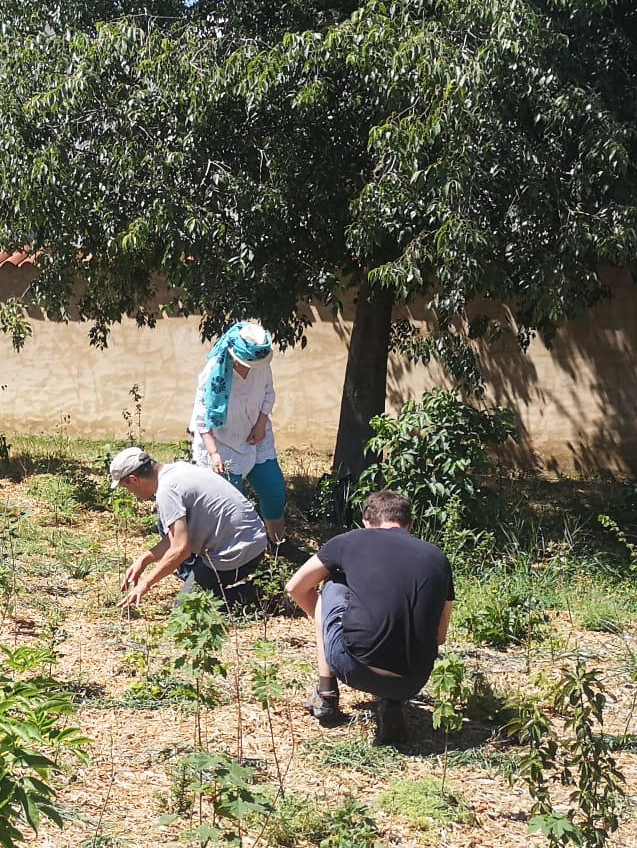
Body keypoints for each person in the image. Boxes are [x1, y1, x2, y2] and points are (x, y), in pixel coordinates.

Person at [284, 489, 453, 747]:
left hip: (354, 666)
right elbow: (440, 637)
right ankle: (392, 703)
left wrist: (325, 626)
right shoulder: (438, 558)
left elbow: (295, 587)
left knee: (331, 582)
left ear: (366, 522)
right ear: (410, 525)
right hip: (414, 680)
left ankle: (326, 692)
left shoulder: (350, 540)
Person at [109, 445, 268, 611]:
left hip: (236, 555)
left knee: (187, 608)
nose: (129, 492)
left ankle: (259, 593)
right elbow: (176, 540)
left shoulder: (167, 492)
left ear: (134, 479)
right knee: (166, 525)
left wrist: (146, 583)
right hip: (256, 542)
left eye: (126, 487)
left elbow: (180, 549)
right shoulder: (178, 468)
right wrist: (144, 560)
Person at [188, 320, 289, 548]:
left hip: (256, 437)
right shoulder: (213, 371)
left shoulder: (262, 365)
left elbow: (268, 394)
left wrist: (261, 424)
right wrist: (213, 453)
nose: (251, 366)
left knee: (274, 490)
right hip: (220, 445)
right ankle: (234, 555)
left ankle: (278, 544)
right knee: (233, 503)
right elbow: (201, 416)